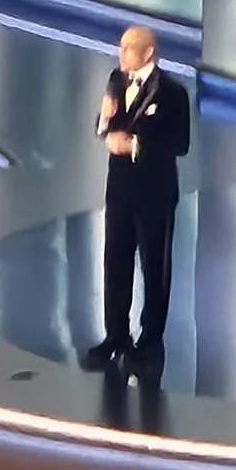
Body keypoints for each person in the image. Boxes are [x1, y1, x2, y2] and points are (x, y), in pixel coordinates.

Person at [80, 23, 190, 378]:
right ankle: (115, 334)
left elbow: (179, 144)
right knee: (115, 259)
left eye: (129, 48)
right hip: (120, 190)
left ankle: (150, 341)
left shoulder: (172, 92)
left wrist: (135, 146)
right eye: (120, 47)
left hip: (155, 193)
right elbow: (105, 126)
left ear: (148, 53)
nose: (121, 53)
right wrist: (104, 121)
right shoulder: (116, 80)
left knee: (154, 266)